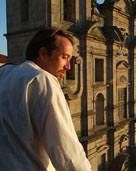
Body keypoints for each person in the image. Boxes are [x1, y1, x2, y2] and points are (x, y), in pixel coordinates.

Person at [0, 28, 92, 171]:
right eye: (64, 57)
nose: (68, 66)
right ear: (43, 54)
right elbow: (67, 153)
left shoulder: (4, 74)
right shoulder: (42, 80)